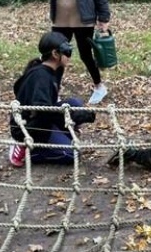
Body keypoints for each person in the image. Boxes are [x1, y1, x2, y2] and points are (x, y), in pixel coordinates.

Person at [9, 31, 96, 167]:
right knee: (72, 154)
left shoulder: (53, 70)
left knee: (75, 104)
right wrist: (73, 115)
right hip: (29, 127)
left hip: (43, 120)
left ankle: (57, 136)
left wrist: (74, 114)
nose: (69, 55)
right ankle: (27, 149)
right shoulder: (41, 76)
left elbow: (50, 105)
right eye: (67, 51)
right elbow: (42, 111)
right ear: (55, 54)